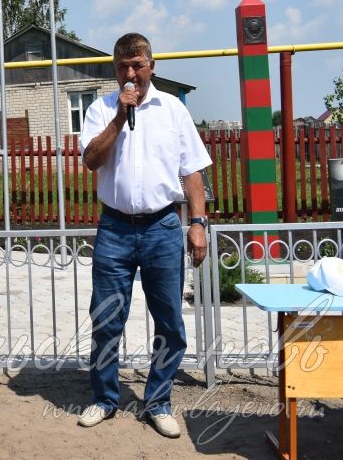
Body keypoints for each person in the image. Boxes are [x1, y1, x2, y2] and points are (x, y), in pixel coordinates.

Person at [77, 33, 211, 439]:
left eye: (137, 65)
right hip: (115, 227)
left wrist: (198, 223)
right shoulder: (101, 109)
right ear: (114, 70)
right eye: (122, 67)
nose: (130, 73)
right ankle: (104, 398)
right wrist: (120, 116)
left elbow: (192, 172)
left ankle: (159, 401)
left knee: (169, 321)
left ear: (152, 65)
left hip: (163, 227)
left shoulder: (172, 110)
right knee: (106, 319)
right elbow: (90, 160)